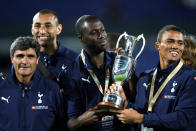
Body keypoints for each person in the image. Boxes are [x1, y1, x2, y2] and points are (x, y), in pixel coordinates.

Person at [110, 25, 196, 130]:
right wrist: (126, 103)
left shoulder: (191, 78)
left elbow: (183, 118)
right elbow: (142, 113)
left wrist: (141, 118)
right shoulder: (145, 78)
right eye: (170, 41)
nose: (175, 46)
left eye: (180, 43)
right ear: (157, 46)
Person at [59, 15, 130, 131]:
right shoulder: (71, 72)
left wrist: (128, 64)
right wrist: (81, 120)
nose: (101, 35)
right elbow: (69, 124)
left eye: (102, 30)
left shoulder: (119, 61)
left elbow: (138, 106)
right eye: (94, 32)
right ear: (80, 37)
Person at [0, 36, 66, 131]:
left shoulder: (52, 89)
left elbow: (62, 126)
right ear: (12, 59)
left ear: (37, 59)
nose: (25, 61)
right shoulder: (1, 89)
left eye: (30, 56)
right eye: (20, 56)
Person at [32, 9, 78, 82]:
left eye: (48, 26)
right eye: (37, 26)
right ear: (32, 29)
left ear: (59, 29)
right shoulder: (23, 60)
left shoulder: (75, 60)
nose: (42, 31)